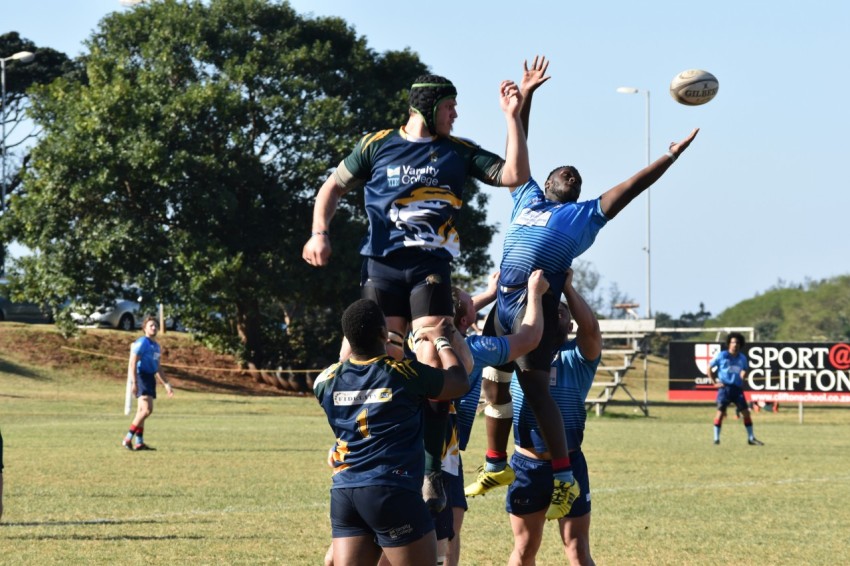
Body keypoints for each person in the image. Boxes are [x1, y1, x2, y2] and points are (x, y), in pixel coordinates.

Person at [467, 55, 699, 521]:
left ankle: (564, 477)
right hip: (504, 303)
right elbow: (518, 150)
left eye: (576, 176)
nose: (570, 175)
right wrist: (525, 98)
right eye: (563, 172)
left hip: (538, 309)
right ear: (550, 181)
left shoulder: (586, 215)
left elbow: (633, 187)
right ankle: (495, 464)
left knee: (535, 391)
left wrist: (669, 156)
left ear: (574, 191)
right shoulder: (525, 195)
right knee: (491, 380)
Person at [303, 73, 530, 510]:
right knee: (361, 357)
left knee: (430, 353)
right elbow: (331, 187)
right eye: (450, 107)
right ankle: (347, 446)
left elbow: (514, 173)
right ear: (427, 108)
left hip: (430, 267)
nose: (456, 114)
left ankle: (430, 474)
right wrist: (319, 233)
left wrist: (513, 117)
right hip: (381, 267)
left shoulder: (457, 151)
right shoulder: (376, 144)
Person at [314, 299, 469, 566]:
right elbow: (459, 382)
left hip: (346, 494)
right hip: (391, 490)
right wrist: (442, 341)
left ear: (348, 339)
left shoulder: (324, 380)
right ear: (384, 333)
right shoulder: (403, 374)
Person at [506, 269, 602, 566]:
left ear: (569, 322)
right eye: (547, 313)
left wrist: (568, 290)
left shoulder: (578, 356)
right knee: (524, 547)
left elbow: (592, 331)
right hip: (527, 465)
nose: (552, 317)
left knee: (576, 548)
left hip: (570, 463)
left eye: (559, 313)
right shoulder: (517, 353)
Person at [122, 315, 173, 451]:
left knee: (141, 411)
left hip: (150, 377)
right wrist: (134, 382)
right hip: (141, 376)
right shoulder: (142, 343)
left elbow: (158, 366)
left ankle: (139, 442)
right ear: (144, 328)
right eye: (151, 325)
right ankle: (127, 438)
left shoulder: (156, 346)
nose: (154, 327)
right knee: (146, 410)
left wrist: (166, 384)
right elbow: (133, 363)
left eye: (156, 325)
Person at [710, 332, 764, 446]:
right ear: (729, 344)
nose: (735, 344)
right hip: (725, 389)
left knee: (746, 414)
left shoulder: (742, 357)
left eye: (738, 343)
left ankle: (751, 438)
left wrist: (743, 374)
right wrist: (714, 382)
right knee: (720, 413)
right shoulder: (722, 355)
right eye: (733, 342)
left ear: (740, 344)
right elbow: (709, 368)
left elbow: (745, 369)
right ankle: (716, 439)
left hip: (737, 389)